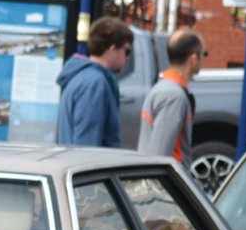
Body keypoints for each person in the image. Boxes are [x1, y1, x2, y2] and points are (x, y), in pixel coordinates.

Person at [55, 16, 134, 147]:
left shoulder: (82, 76)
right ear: (113, 49)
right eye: (127, 51)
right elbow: (86, 146)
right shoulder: (94, 84)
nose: (127, 58)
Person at [137, 28, 206, 162]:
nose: (204, 59)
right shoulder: (173, 97)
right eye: (204, 54)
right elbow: (159, 156)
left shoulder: (164, 89)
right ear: (193, 58)